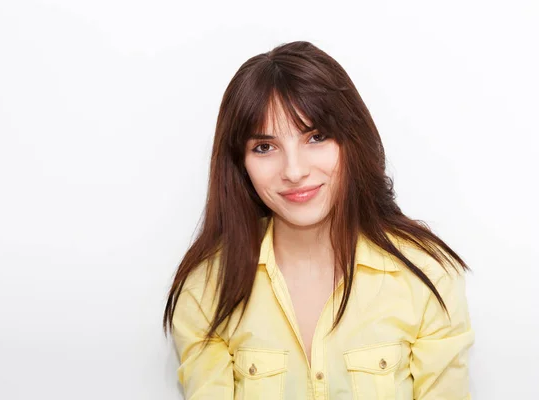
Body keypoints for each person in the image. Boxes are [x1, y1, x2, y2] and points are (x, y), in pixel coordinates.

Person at [162, 41, 474, 399]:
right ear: (240, 164)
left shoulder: (427, 275)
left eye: (316, 137)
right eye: (264, 147)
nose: (294, 171)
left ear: (352, 141)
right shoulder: (206, 290)